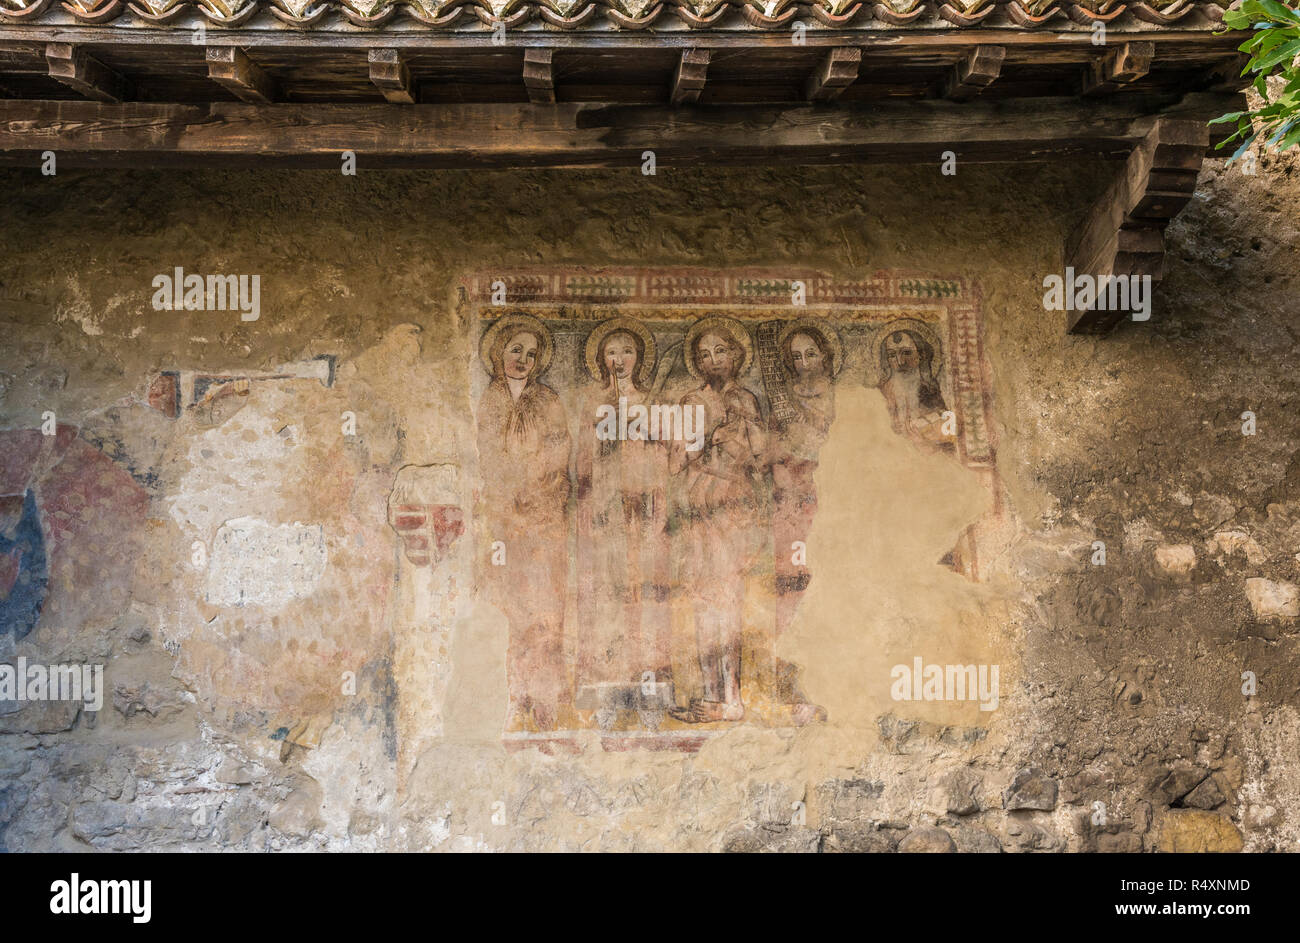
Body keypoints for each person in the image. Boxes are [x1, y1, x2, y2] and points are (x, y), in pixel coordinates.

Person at [475, 313, 571, 741]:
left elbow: (558, 453)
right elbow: (485, 458)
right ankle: (512, 701)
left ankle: (545, 703)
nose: (524, 360)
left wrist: (540, 492)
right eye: (516, 350)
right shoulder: (488, 400)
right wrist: (506, 498)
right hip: (499, 524)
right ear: (499, 352)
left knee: (546, 614)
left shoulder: (549, 401)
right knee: (508, 612)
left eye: (532, 354)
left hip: (544, 520)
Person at [574, 318, 672, 726]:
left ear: (639, 358)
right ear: (601, 358)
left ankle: (649, 698)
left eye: (627, 351)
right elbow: (581, 464)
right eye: (611, 352)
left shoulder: (652, 401)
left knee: (645, 601)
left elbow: (665, 453)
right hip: (607, 515)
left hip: (644, 512)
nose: (619, 359)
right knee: (607, 601)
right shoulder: (593, 405)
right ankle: (609, 693)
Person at [669, 317, 766, 724]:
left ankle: (732, 699)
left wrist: (743, 432)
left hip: (734, 514)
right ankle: (714, 696)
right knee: (706, 606)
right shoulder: (692, 402)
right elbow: (677, 461)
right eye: (704, 355)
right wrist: (707, 442)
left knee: (729, 605)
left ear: (736, 355)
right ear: (697, 362)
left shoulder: (747, 400)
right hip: (701, 514)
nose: (714, 361)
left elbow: (760, 458)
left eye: (721, 352)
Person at [769, 320, 839, 725]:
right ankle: (797, 693)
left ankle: (835, 687)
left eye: (810, 353)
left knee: (832, 590)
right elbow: (775, 452)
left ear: (825, 355)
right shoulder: (783, 402)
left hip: (832, 503)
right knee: (792, 593)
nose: (803, 363)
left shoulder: (842, 398)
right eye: (794, 357)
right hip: (793, 507)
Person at [878, 328, 952, 451]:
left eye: (907, 353)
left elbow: (949, 439)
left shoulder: (930, 391)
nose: (900, 362)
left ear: (921, 355)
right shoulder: (881, 393)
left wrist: (927, 444)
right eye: (892, 355)